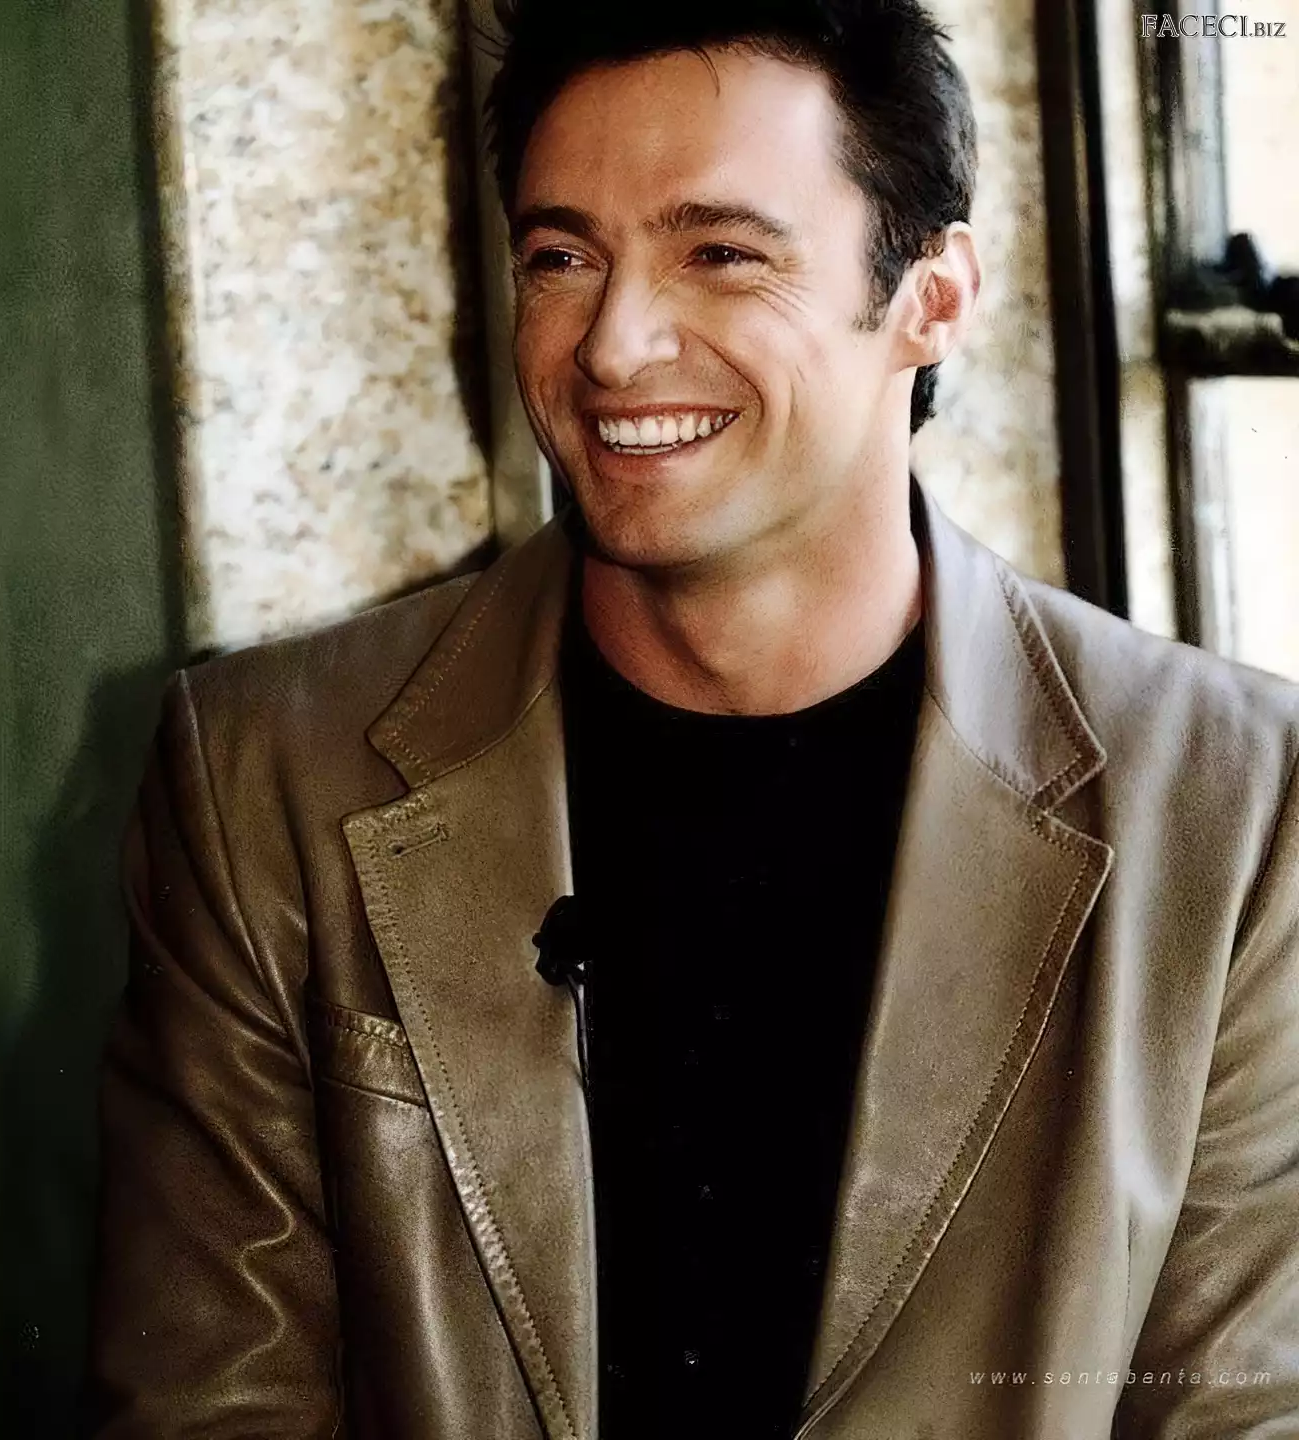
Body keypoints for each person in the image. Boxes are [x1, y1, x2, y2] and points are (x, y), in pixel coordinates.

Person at [82, 2, 1299, 1435]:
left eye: (720, 253)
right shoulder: (264, 770)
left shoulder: (1238, 803)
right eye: (561, 257)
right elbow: (212, 1403)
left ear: (933, 298)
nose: (612, 345)